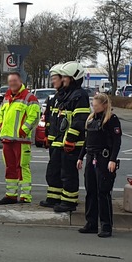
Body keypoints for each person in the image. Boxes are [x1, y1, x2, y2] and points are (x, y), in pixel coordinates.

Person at [78, 93, 122, 238]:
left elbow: (116, 142)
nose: (93, 107)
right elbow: (87, 141)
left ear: (103, 105)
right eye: (93, 105)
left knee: (103, 192)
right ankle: (91, 223)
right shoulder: (91, 119)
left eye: (96, 105)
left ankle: (106, 226)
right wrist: (80, 157)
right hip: (91, 157)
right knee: (90, 191)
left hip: (104, 158)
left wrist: (112, 160)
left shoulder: (111, 119)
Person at [0, 72, 40, 205]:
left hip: (21, 140)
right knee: (10, 167)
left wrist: (23, 131)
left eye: (14, 81)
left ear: (20, 81)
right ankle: (11, 195)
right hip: (7, 139)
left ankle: (25, 196)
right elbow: (1, 114)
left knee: (22, 167)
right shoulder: (7, 97)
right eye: (10, 81)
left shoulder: (29, 98)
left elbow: (34, 117)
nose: (12, 83)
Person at [52, 61, 91, 213]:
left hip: (72, 142)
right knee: (62, 172)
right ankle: (62, 199)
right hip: (65, 141)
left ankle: (69, 202)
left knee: (69, 173)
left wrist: (70, 140)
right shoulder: (69, 94)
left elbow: (79, 120)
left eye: (65, 77)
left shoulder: (80, 96)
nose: (63, 79)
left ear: (73, 78)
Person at [39, 64, 67, 208]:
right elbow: (50, 118)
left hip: (62, 143)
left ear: (63, 79)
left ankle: (60, 199)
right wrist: (47, 136)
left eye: (54, 79)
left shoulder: (66, 97)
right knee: (53, 171)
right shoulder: (55, 97)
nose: (52, 82)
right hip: (54, 141)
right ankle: (53, 198)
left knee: (61, 172)